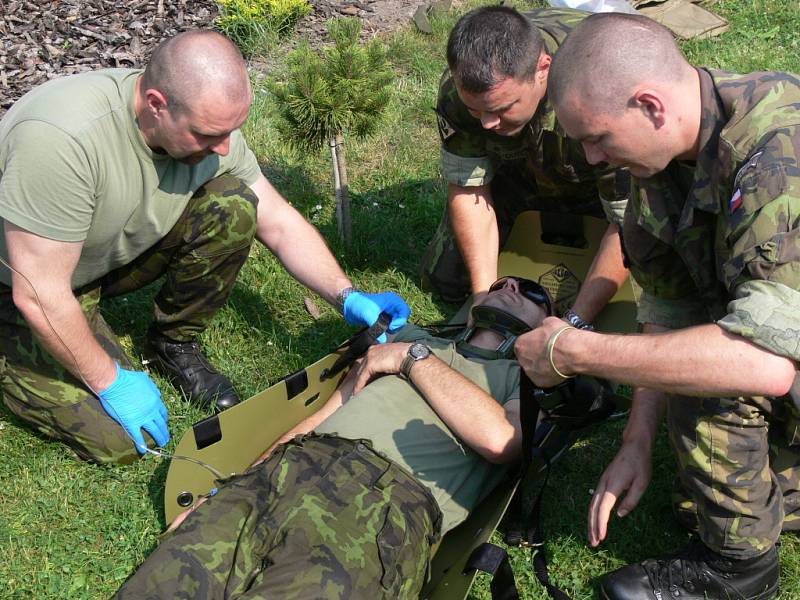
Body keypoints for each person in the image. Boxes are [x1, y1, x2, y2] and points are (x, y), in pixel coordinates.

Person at [0, 30, 410, 465]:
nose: (224, 148)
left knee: (233, 203)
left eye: (232, 131)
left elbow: (279, 221)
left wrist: (346, 296)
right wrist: (111, 382)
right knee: (121, 441)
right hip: (20, 288)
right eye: (208, 135)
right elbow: (39, 292)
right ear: (156, 104)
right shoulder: (62, 141)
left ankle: (172, 346)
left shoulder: (206, 123)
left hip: (89, 262)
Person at [514, 12, 799, 600]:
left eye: (597, 138)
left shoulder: (776, 155)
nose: (592, 159)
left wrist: (575, 351)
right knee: (690, 412)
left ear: (650, 105)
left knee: (709, 379)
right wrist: (636, 440)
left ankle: (739, 571)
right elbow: (667, 304)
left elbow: (762, 360)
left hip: (778, 352)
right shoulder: (658, 159)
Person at [112, 276, 551, 599]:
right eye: (502, 281)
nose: (510, 285)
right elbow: (328, 411)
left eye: (531, 292)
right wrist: (231, 486)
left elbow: (502, 441)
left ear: (547, 325)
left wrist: (409, 358)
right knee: (161, 584)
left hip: (379, 508)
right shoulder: (419, 338)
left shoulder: (524, 381)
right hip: (285, 473)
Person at [419, 5, 630, 330]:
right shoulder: (461, 90)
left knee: (647, 283)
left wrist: (575, 322)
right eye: (476, 111)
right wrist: (483, 299)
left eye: (502, 109)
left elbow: (629, 224)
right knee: (447, 279)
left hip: (598, 187)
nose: (488, 123)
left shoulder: (603, 92)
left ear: (542, 70)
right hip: (520, 172)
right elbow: (468, 188)